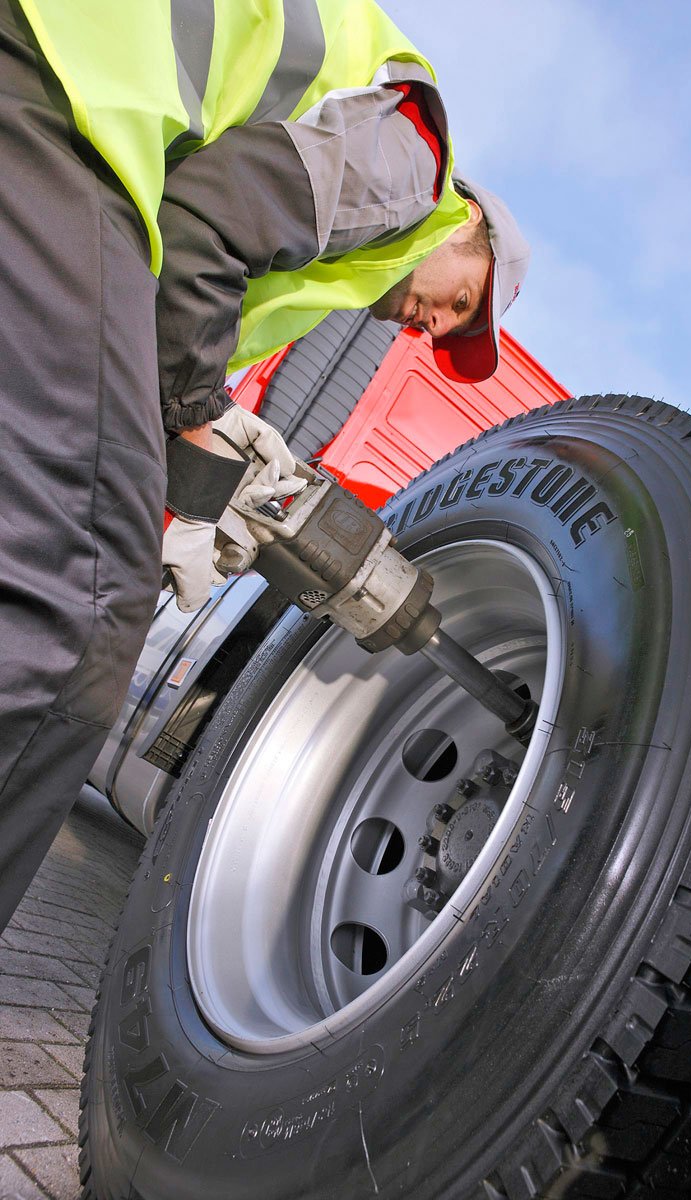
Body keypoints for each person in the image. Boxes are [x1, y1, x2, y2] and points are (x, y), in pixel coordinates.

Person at [0, 0, 530, 932]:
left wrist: (192, 457)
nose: (435, 329)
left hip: (57, 77)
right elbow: (199, 227)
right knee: (85, 612)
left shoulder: (342, 255)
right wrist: (195, 425)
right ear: (471, 234)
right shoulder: (414, 164)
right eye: (462, 307)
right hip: (72, 100)